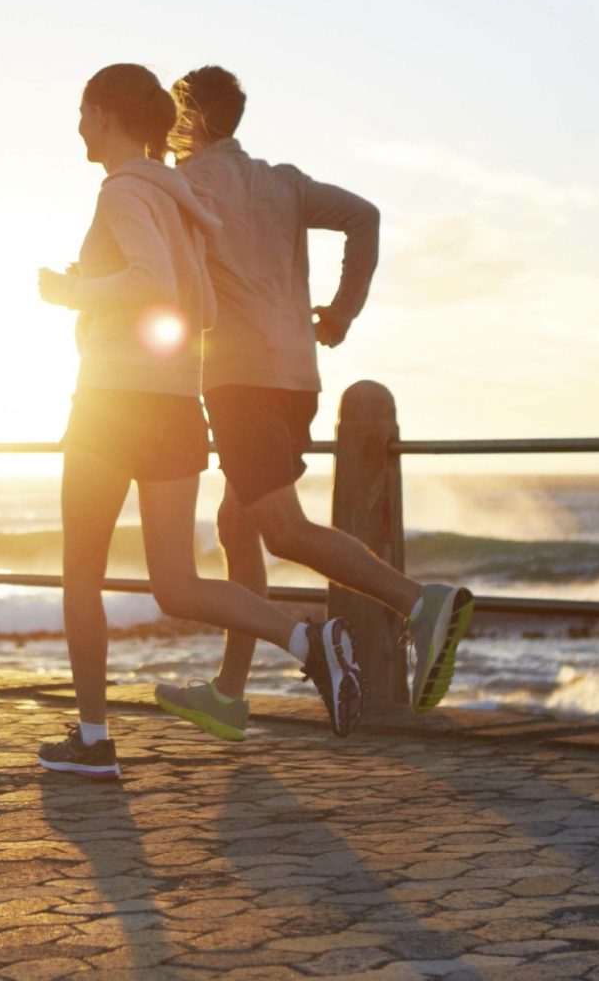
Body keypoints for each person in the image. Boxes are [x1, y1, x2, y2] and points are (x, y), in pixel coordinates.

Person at [34, 63, 362, 782]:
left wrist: (71, 293)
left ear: (108, 116)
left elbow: (149, 283)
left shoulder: (123, 192)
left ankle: (93, 741)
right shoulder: (184, 200)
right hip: (178, 405)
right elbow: (201, 310)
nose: (79, 127)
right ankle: (306, 642)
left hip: (112, 403)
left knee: (81, 574)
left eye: (84, 112)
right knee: (177, 584)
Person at [152, 65, 472, 744]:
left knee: (283, 530)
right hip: (298, 377)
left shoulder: (189, 187)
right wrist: (343, 312)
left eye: (174, 118)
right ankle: (229, 696)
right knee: (240, 526)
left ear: (196, 121)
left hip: (238, 385)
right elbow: (366, 217)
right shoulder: (283, 182)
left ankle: (421, 603)